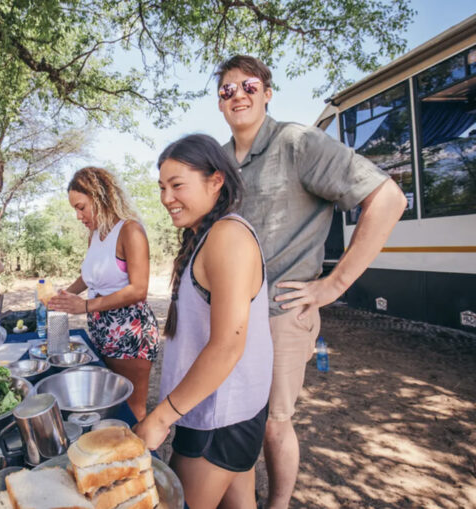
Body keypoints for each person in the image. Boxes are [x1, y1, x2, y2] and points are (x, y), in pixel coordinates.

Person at [215, 55, 408, 508]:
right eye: (227, 89)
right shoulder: (218, 160)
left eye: (248, 85)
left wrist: (332, 286)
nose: (237, 94)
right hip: (228, 316)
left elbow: (388, 198)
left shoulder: (297, 142)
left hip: (282, 313)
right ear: (219, 103)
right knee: (232, 417)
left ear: (266, 92)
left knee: (272, 423)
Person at [135, 134, 273, 508]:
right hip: (228, 408)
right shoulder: (205, 236)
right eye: (162, 187)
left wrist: (161, 418)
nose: (166, 198)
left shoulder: (227, 236)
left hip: (220, 415)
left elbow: (228, 345)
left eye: (178, 185)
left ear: (216, 181)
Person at [48, 167, 160, 421]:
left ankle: (141, 456)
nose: (78, 216)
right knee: (110, 406)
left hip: (130, 332)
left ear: (100, 197)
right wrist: (62, 296)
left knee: (132, 409)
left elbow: (138, 290)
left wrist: (85, 306)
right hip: (101, 331)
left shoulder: (130, 231)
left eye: (81, 207)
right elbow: (89, 277)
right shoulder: (95, 236)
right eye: (75, 210)